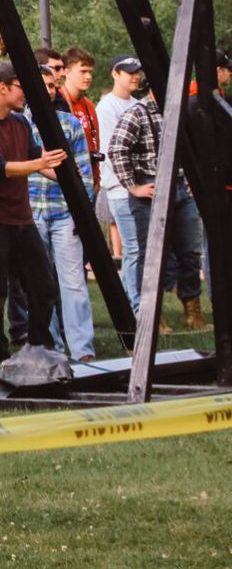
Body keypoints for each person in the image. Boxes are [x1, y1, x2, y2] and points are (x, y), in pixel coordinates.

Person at [0, 61, 67, 352]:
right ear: (3, 88)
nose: (26, 94)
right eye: (21, 88)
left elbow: (35, 159)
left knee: (44, 287)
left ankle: (39, 345)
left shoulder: (20, 123)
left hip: (22, 219)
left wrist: (63, 174)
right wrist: (40, 163)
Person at [109, 84, 209, 331]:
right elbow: (117, 150)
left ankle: (192, 311)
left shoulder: (179, 111)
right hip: (149, 189)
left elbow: (194, 148)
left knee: (190, 251)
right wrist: (133, 187)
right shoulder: (137, 112)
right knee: (150, 257)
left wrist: (193, 180)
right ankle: (152, 317)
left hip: (180, 186)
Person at [22, 61, 97, 360]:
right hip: (32, 211)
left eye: (53, 86)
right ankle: (48, 346)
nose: (49, 91)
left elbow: (84, 174)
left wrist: (83, 212)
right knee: (39, 284)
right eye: (43, 86)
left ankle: (82, 351)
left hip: (64, 211)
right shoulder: (19, 122)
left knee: (73, 283)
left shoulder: (69, 123)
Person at [96, 56, 145, 301]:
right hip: (120, 188)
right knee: (133, 248)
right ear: (115, 74)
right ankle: (135, 306)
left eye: (137, 71)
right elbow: (110, 152)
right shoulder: (106, 108)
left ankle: (129, 298)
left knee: (139, 249)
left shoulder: (139, 105)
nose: (135, 76)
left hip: (141, 186)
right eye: (129, 72)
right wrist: (130, 185)